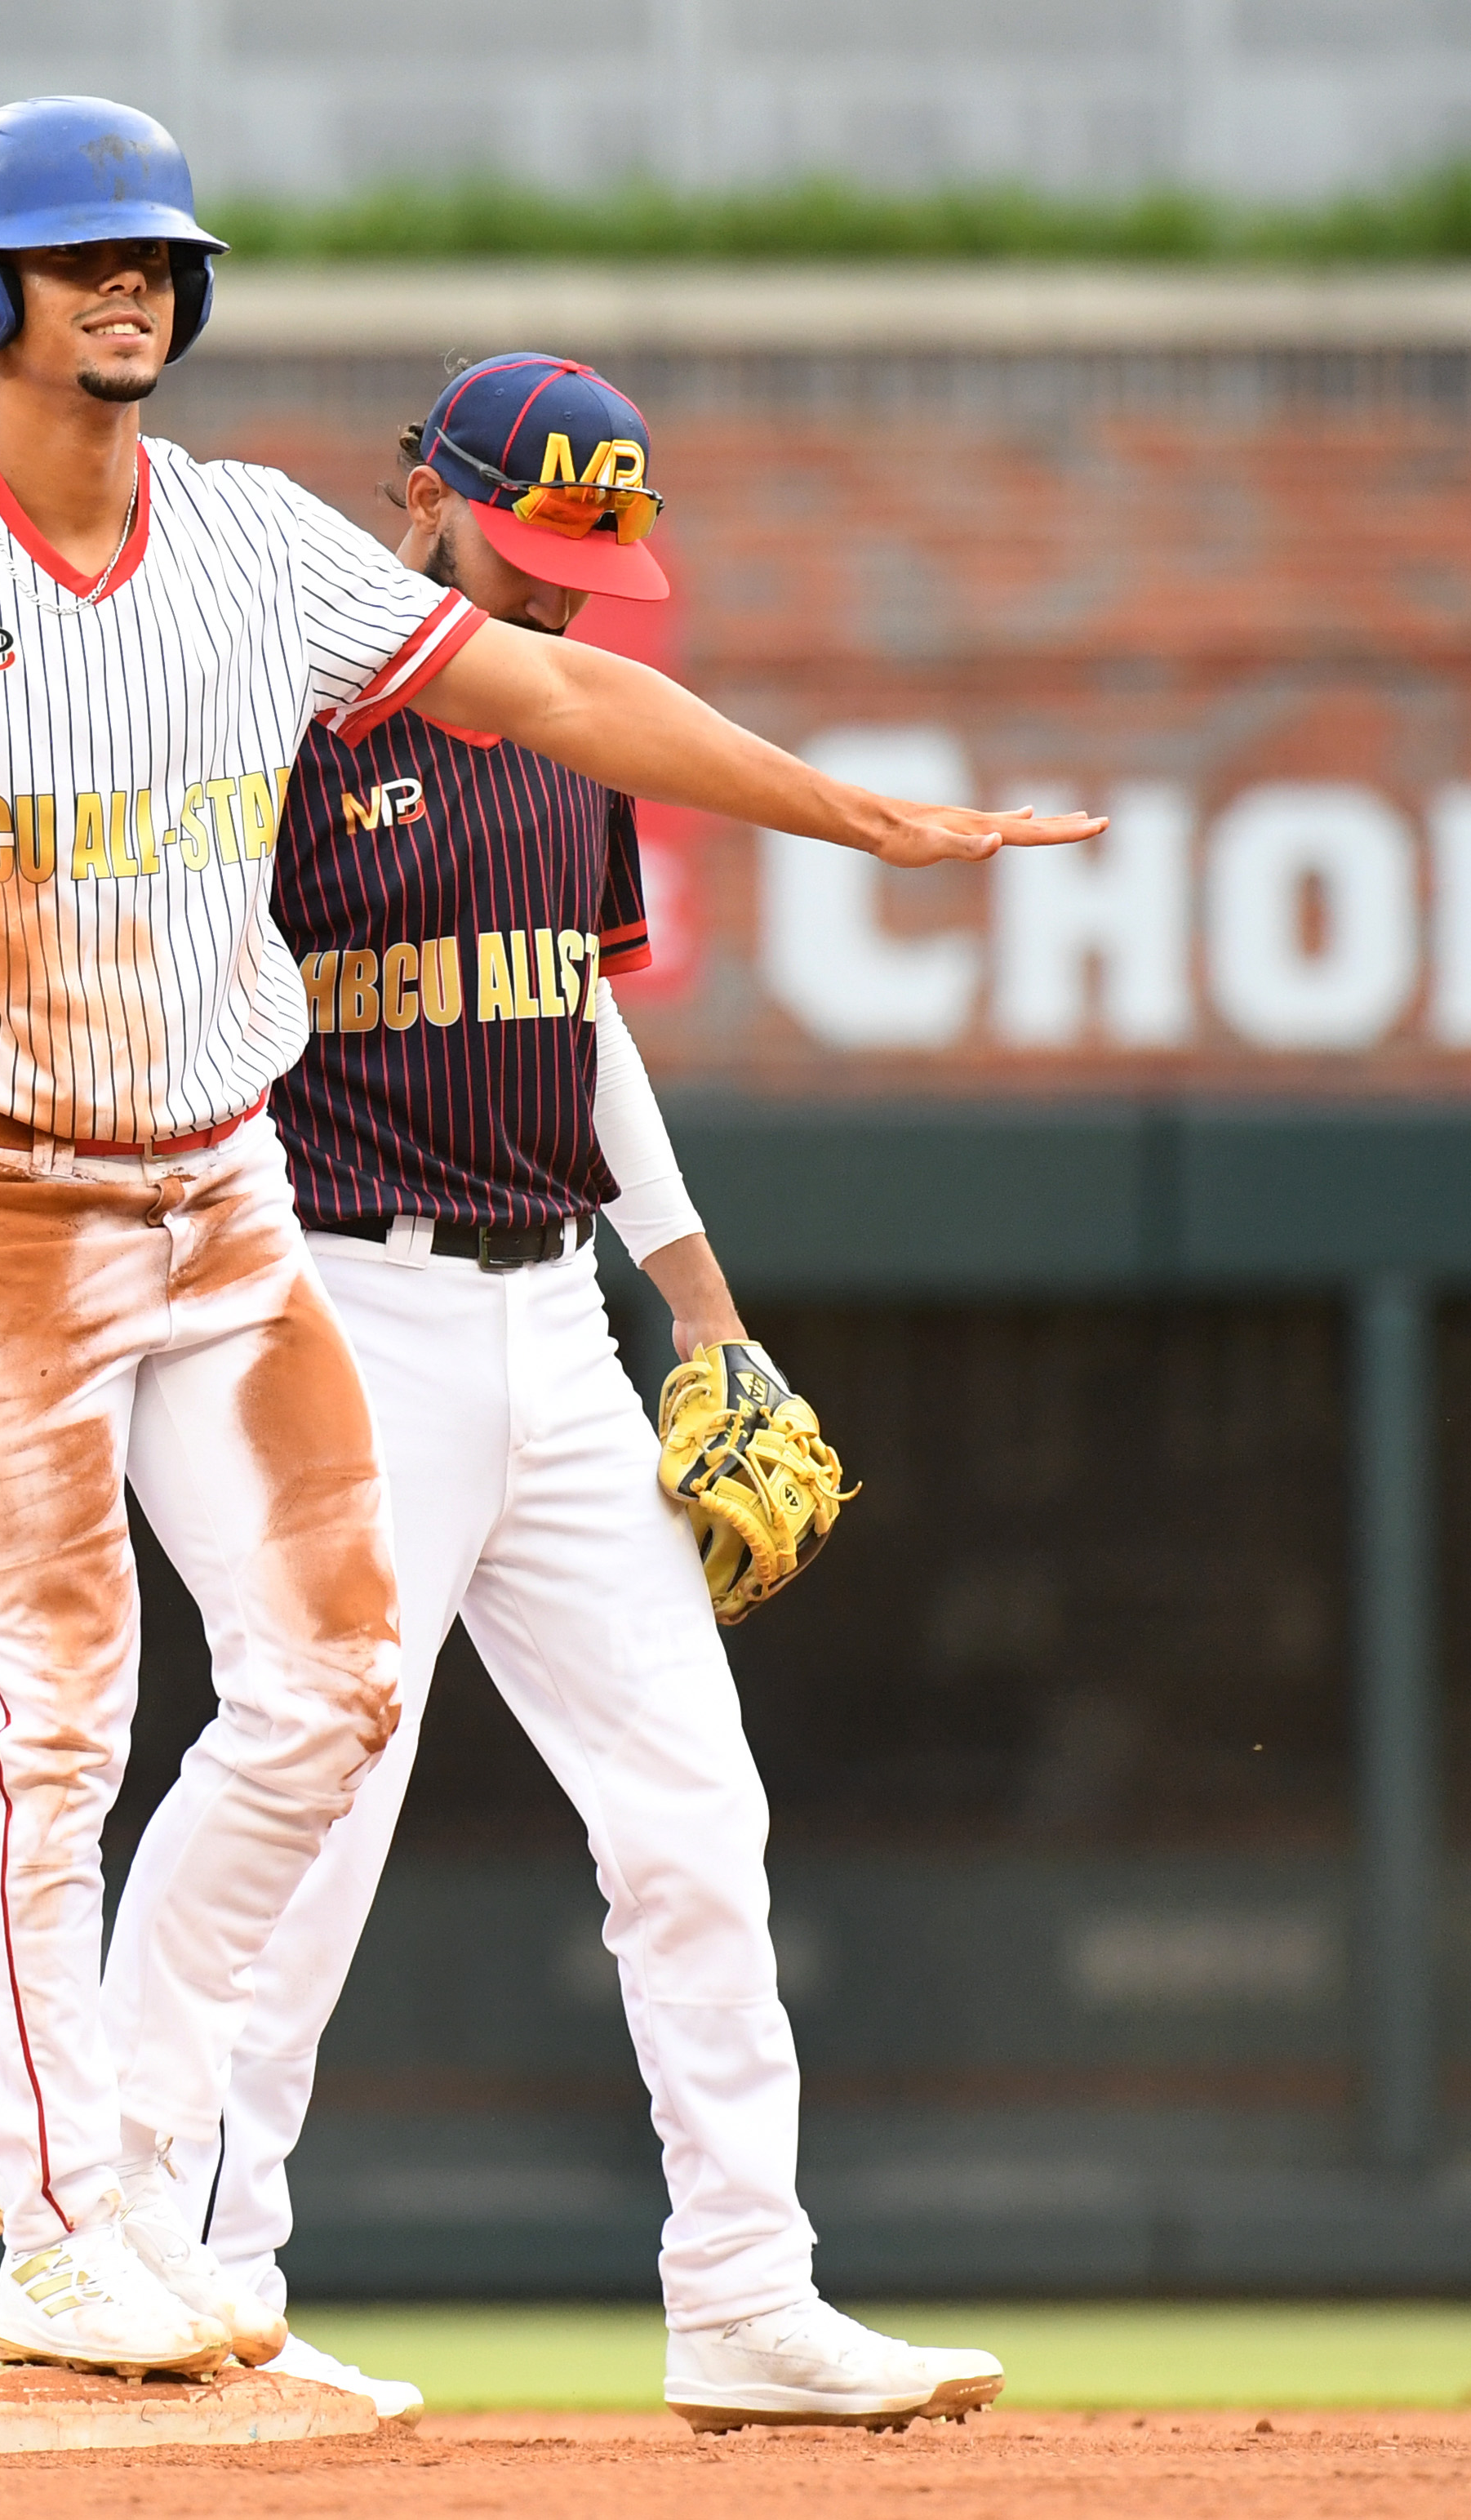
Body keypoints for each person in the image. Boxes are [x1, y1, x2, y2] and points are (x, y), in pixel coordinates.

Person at [0, 101, 1100, 2382]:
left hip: (222, 1194)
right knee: (52, 1727)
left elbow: (558, 692)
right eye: (86, 257)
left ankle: (191, 2219)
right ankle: (68, 2227)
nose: (137, 285)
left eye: (162, 252)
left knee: (332, 1691)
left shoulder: (258, 548)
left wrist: (853, 810)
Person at [96, 353, 1009, 2433]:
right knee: (315, 1799)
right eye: (532, 549)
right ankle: (204, 2290)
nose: (568, 594)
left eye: (594, 562)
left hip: (555, 1312)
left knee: (695, 1812)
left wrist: (703, 1305)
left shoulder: (568, 727)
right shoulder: (286, 712)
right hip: (339, 1298)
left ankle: (746, 2293)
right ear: (418, 494)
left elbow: (577, 1010)